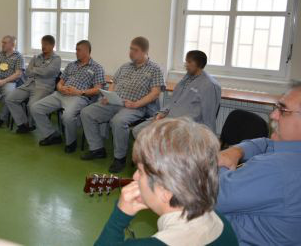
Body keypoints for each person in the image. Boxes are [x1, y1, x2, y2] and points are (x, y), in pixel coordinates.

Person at [95, 118, 238, 246]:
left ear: (166, 191)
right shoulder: (221, 223)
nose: (135, 177)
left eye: (140, 171)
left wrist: (119, 217)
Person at [216, 81, 301, 245]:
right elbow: (266, 143)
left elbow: (210, 196)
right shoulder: (289, 151)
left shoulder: (278, 169)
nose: (273, 115)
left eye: (283, 110)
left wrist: (221, 163)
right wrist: (237, 151)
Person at [81, 37, 165, 173]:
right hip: (115, 102)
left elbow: (155, 93)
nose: (131, 52)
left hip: (136, 106)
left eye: (135, 50)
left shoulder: (155, 69)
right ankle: (97, 149)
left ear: (145, 51)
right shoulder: (125, 66)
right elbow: (113, 83)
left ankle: (119, 158)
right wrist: (109, 96)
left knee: (118, 121)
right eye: (130, 49)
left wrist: (136, 104)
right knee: (86, 112)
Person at [31, 40, 105, 153]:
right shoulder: (71, 65)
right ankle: (52, 135)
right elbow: (60, 82)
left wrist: (79, 92)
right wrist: (60, 87)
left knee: (67, 116)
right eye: (76, 49)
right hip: (60, 94)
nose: (76, 52)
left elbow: (97, 89)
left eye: (78, 50)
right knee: (35, 108)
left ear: (86, 51)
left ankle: (71, 142)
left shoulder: (96, 68)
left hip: (78, 97)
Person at [132, 50, 221, 138]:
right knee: (138, 130)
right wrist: (162, 113)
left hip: (185, 125)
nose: (186, 64)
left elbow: (208, 116)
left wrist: (208, 137)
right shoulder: (188, 78)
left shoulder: (209, 85)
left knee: (155, 137)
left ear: (199, 64)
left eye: (189, 62)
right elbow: (173, 101)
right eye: (186, 61)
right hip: (169, 117)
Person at [5, 35, 61, 134]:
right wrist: (39, 70)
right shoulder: (36, 57)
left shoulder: (56, 59)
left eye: (46, 45)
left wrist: (34, 69)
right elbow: (27, 72)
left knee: (32, 105)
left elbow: (48, 72)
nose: (43, 47)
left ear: (52, 46)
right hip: (29, 84)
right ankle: (24, 124)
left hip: (44, 87)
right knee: (10, 98)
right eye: (42, 44)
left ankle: (33, 125)